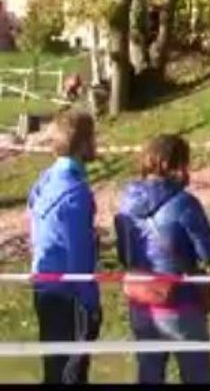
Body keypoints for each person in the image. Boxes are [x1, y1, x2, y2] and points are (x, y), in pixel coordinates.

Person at [115, 134, 210, 384]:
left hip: (141, 301)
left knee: (149, 374)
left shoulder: (126, 202)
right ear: (177, 164)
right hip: (181, 301)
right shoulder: (185, 203)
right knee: (197, 375)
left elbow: (124, 254)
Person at [27, 109, 100, 384]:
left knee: (55, 371)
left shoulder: (43, 181)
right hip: (70, 297)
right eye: (93, 137)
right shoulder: (75, 192)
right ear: (82, 144)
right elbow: (78, 259)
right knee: (71, 375)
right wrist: (90, 306)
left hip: (44, 288)